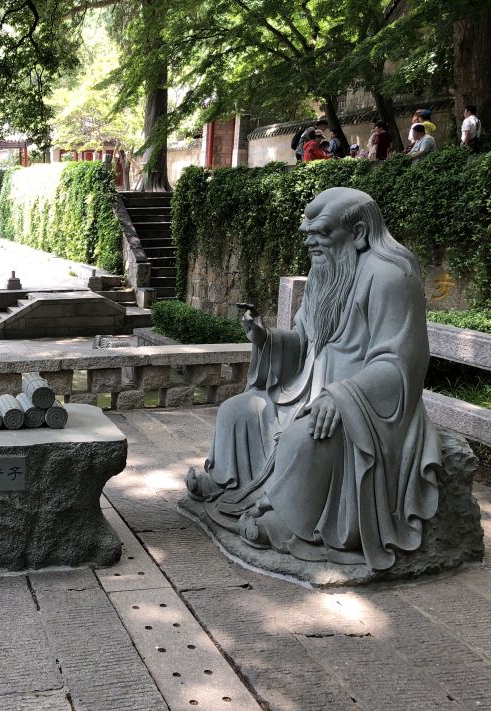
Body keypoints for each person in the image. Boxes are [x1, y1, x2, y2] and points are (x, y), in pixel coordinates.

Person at [185, 188, 441, 569]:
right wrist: (267, 339)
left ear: (358, 232)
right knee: (237, 411)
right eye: (307, 233)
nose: (309, 241)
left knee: (303, 439)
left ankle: (289, 521)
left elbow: (400, 363)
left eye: (321, 232)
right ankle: (228, 483)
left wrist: (341, 397)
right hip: (307, 391)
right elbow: (304, 343)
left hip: (363, 408)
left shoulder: (391, 277)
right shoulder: (325, 273)